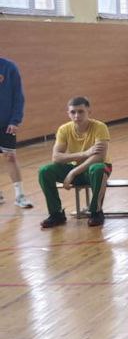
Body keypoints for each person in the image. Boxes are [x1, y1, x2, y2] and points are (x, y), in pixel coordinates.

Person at [38, 96, 111, 229]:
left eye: (81, 111)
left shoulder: (100, 127)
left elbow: (99, 157)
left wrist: (72, 173)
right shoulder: (64, 129)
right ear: (68, 113)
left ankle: (96, 212)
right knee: (45, 171)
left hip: (94, 169)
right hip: (75, 166)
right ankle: (56, 214)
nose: (77, 115)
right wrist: (84, 153)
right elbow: (56, 157)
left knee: (98, 168)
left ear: (89, 112)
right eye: (73, 112)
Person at [0, 55, 32, 208]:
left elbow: (18, 96)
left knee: (10, 157)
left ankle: (20, 196)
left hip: (6, 124)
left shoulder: (9, 67)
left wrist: (15, 120)